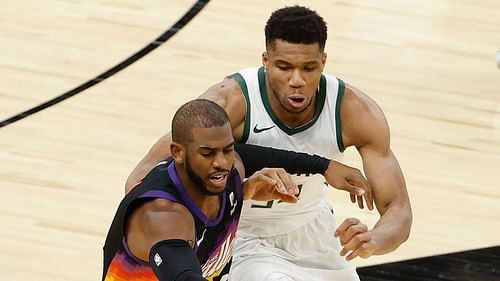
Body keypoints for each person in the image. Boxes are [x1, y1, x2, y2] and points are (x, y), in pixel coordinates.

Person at [125, 5, 412, 281]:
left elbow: (398, 210)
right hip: (243, 235)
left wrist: (374, 239)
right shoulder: (231, 101)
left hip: (315, 231)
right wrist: (234, 197)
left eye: (309, 68)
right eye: (284, 67)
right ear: (265, 61)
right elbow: (141, 180)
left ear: (323, 62)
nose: (297, 80)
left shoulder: (354, 111)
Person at [103, 99, 372, 281]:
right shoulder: (162, 217)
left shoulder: (226, 172)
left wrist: (323, 166)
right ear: (178, 153)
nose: (221, 162)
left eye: (227, 149)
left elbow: (249, 154)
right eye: (207, 153)